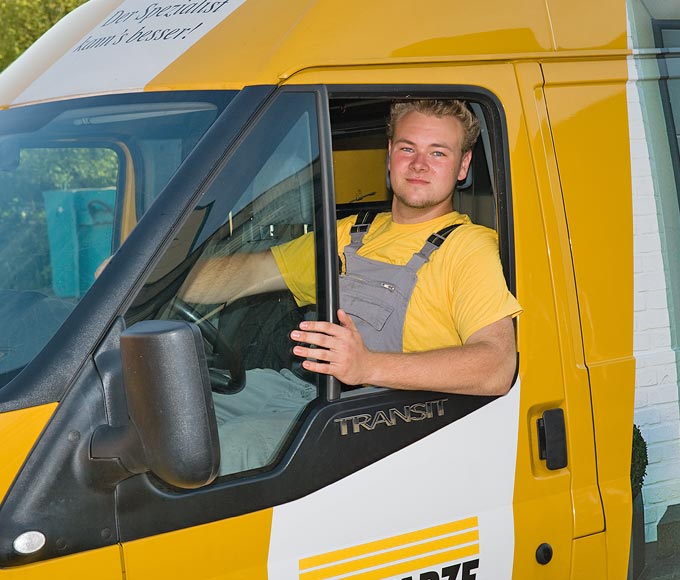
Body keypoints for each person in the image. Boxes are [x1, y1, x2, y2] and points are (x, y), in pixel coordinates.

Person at [182, 99, 521, 396]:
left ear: (463, 165)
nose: (419, 164)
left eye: (438, 152)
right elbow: (249, 273)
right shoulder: (349, 233)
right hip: (308, 394)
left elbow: (496, 366)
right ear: (389, 156)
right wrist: (162, 287)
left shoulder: (467, 247)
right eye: (407, 148)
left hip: (385, 423)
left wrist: (368, 366)